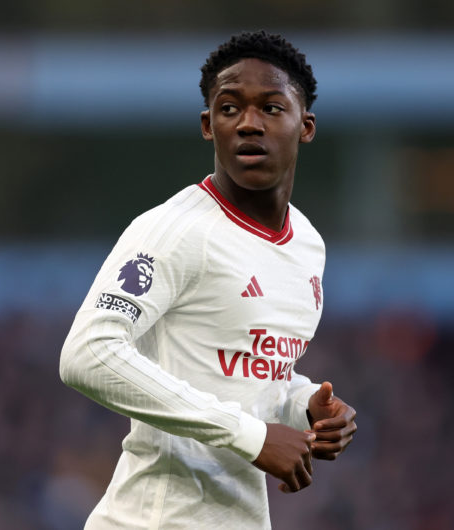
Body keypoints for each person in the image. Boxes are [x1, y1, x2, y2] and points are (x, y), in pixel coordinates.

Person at [60, 30, 357, 529]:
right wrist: (252, 435)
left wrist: (303, 405)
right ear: (207, 126)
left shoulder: (307, 244)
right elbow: (87, 353)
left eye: (271, 108)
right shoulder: (175, 230)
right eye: (229, 108)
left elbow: (248, 378)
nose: (248, 124)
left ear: (304, 127)